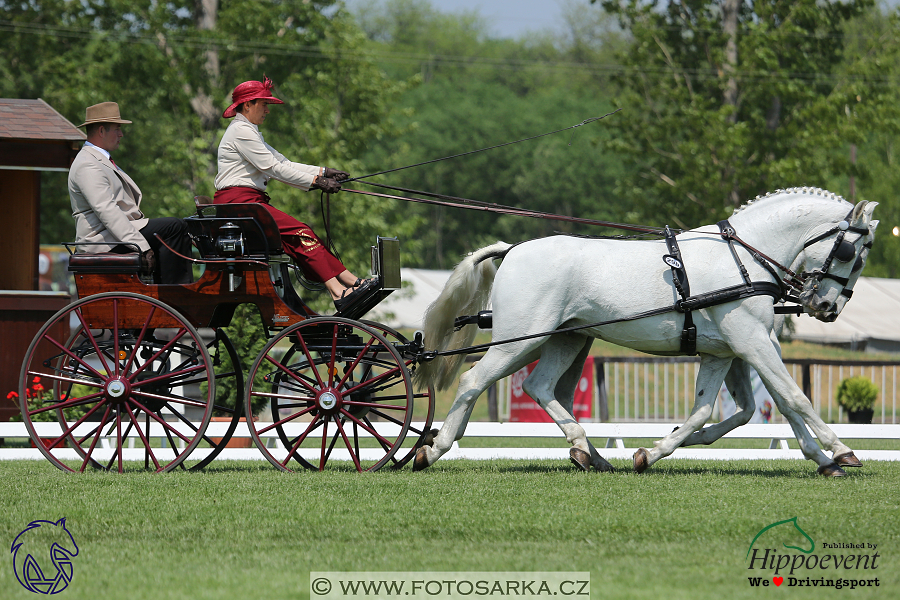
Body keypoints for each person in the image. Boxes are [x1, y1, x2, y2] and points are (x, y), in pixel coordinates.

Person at [214, 76, 376, 311]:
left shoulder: (249, 130)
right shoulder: (241, 131)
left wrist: (324, 171)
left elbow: (283, 162)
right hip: (239, 204)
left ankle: (350, 283)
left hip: (248, 203)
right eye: (264, 104)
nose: (268, 110)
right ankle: (340, 290)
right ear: (247, 105)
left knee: (303, 235)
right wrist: (317, 181)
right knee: (302, 232)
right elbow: (274, 168)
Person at [68, 102, 192, 284]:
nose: (121, 134)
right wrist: (141, 245)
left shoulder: (99, 160)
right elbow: (107, 211)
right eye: (117, 129)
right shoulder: (88, 163)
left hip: (113, 236)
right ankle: (175, 295)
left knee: (181, 226)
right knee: (174, 228)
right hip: (102, 242)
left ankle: (168, 291)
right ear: (101, 131)